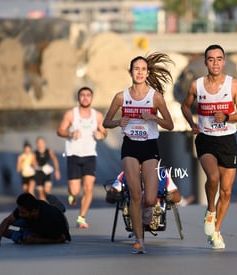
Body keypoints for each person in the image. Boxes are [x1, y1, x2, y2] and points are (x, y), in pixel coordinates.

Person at [103, 53, 174, 254]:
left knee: (149, 198)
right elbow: (106, 122)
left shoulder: (156, 97)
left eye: (143, 69)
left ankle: (148, 209)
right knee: (135, 195)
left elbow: (170, 125)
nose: (140, 72)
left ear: (147, 72)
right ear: (130, 72)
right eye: (136, 69)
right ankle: (139, 240)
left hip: (150, 146)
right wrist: (118, 122)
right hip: (130, 146)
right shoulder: (120, 97)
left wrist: (154, 117)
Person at [181, 44, 237, 250]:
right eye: (211, 59)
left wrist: (227, 116)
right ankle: (210, 210)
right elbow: (184, 106)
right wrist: (192, 124)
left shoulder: (234, 85)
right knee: (213, 178)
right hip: (206, 139)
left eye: (219, 59)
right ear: (206, 62)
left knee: (226, 192)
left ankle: (216, 231)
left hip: (227, 140)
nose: (215, 63)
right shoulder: (197, 85)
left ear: (224, 61)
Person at [57, 86, 107, 229]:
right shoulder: (71, 114)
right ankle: (72, 194)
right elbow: (60, 131)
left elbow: (104, 132)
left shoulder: (97, 115)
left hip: (90, 155)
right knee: (74, 190)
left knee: (89, 188)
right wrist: (70, 134)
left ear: (91, 98)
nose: (85, 97)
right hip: (73, 154)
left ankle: (81, 217)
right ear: (78, 98)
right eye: (82, 95)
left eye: (88, 95)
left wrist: (101, 135)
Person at [0, 193, 71, 246]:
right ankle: (17, 231)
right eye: (19, 211)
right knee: (15, 221)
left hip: (57, 221)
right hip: (33, 222)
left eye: (22, 212)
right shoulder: (26, 208)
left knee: (19, 238)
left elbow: (62, 238)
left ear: (33, 211)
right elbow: (7, 220)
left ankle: (59, 207)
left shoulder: (50, 220)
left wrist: (37, 240)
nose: (19, 213)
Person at [34, 137, 61, 201]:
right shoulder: (35, 153)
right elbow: (33, 163)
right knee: (41, 194)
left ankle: (49, 206)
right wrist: (37, 166)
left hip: (47, 174)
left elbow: (55, 159)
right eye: (39, 143)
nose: (40, 144)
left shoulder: (49, 152)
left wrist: (57, 170)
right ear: (37, 144)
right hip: (39, 174)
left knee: (47, 191)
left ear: (44, 143)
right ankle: (44, 207)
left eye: (42, 142)